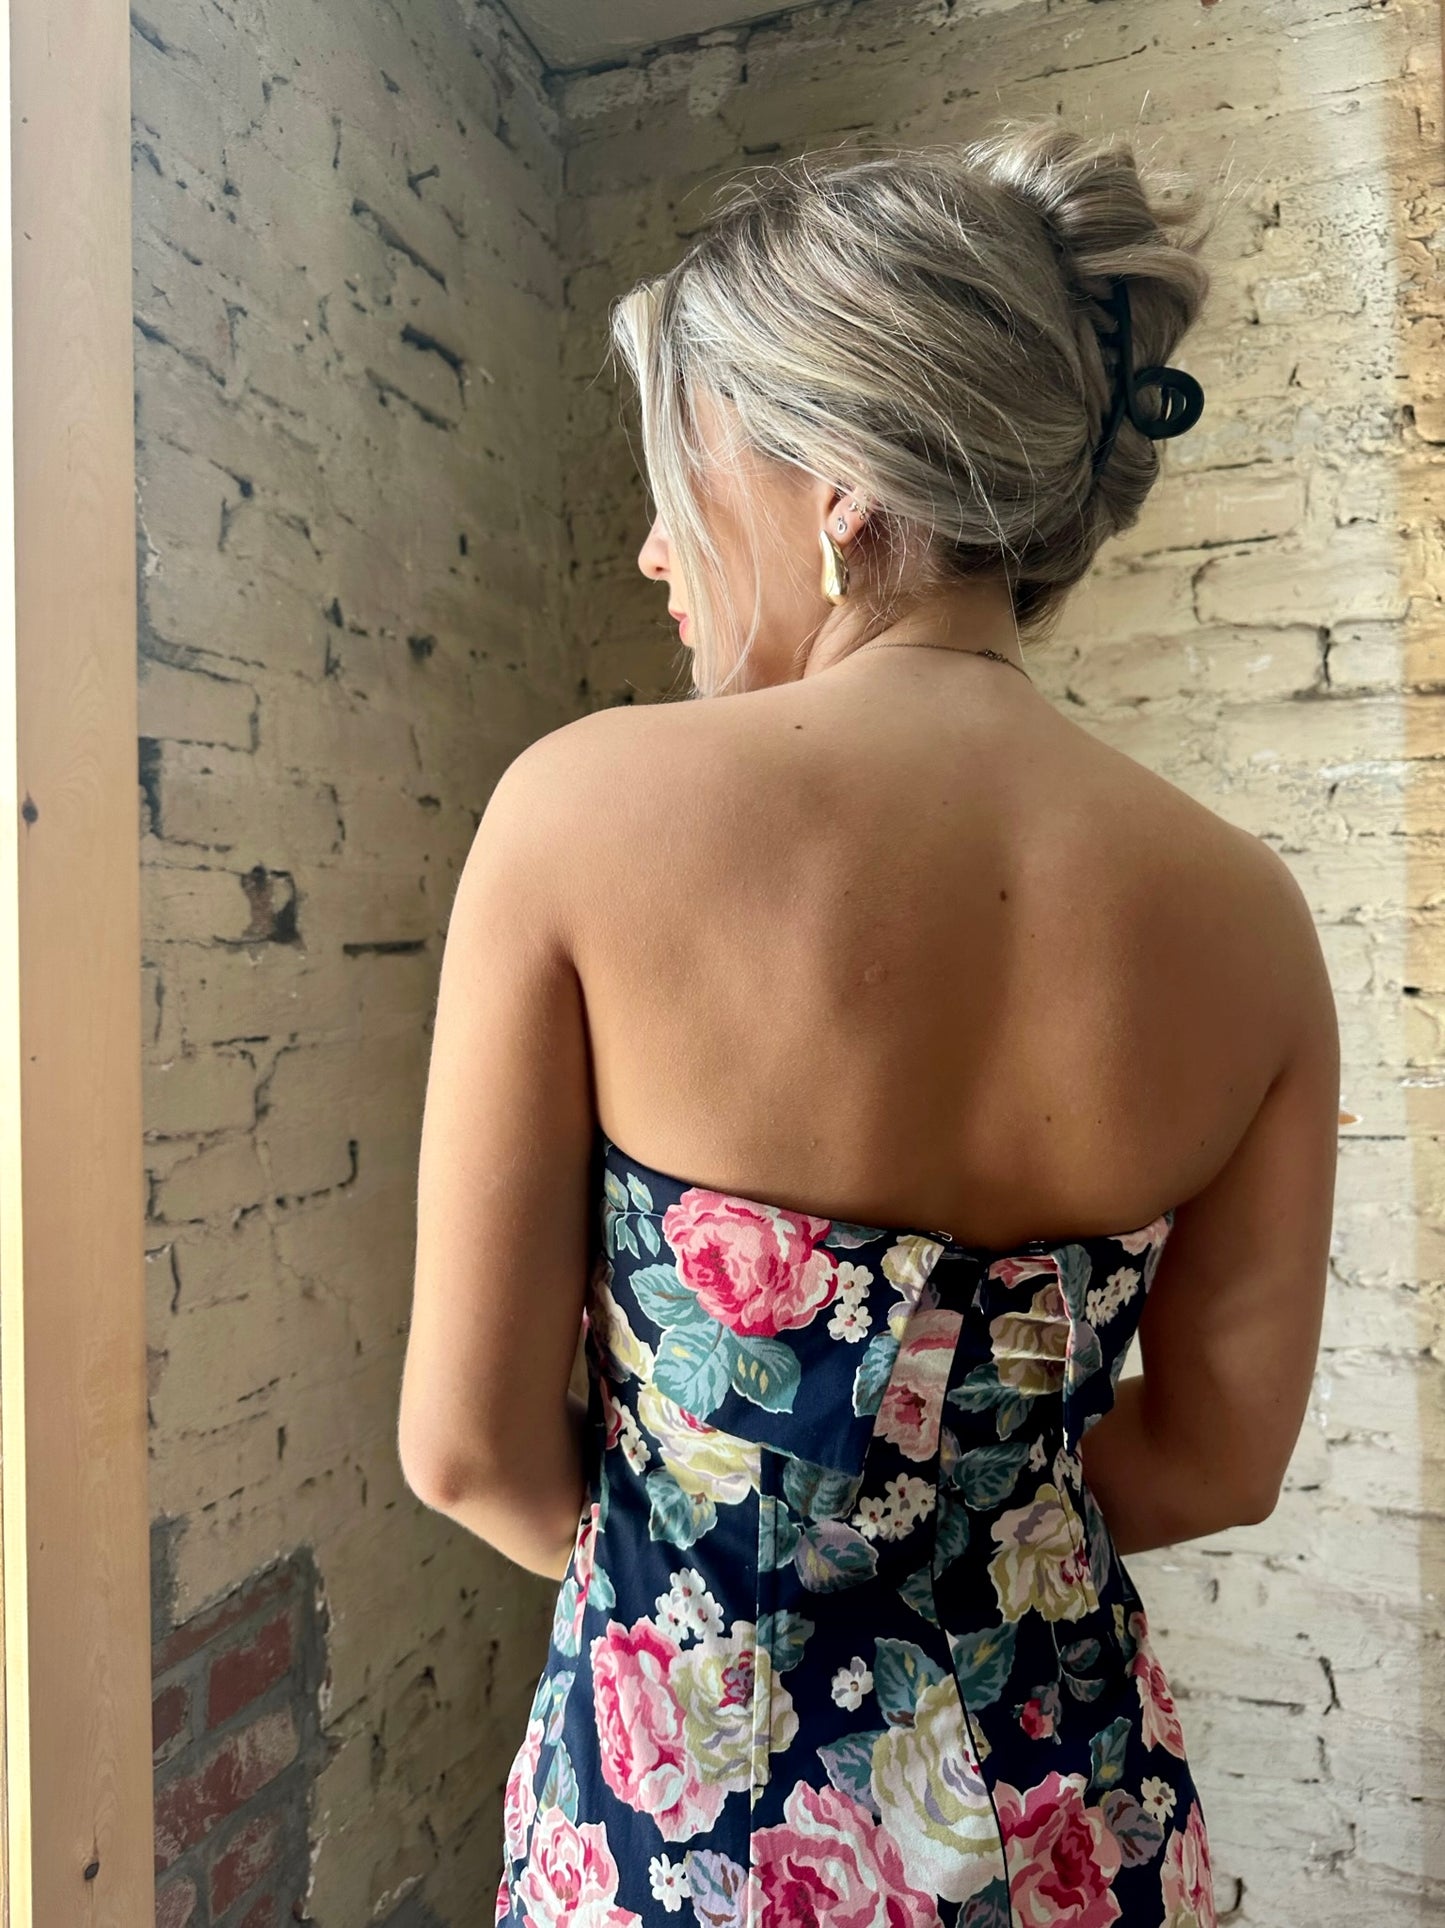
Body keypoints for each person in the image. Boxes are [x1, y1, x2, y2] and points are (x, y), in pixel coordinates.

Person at [398, 118, 1339, 1928]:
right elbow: (1217, 1459)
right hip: (1070, 1829)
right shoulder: (1249, 914)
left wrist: (751, 1565)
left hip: (690, 1838)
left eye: (686, 471)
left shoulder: (581, 810)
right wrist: (946, 1537)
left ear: (839, 486)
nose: (656, 550)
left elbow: (466, 1448)